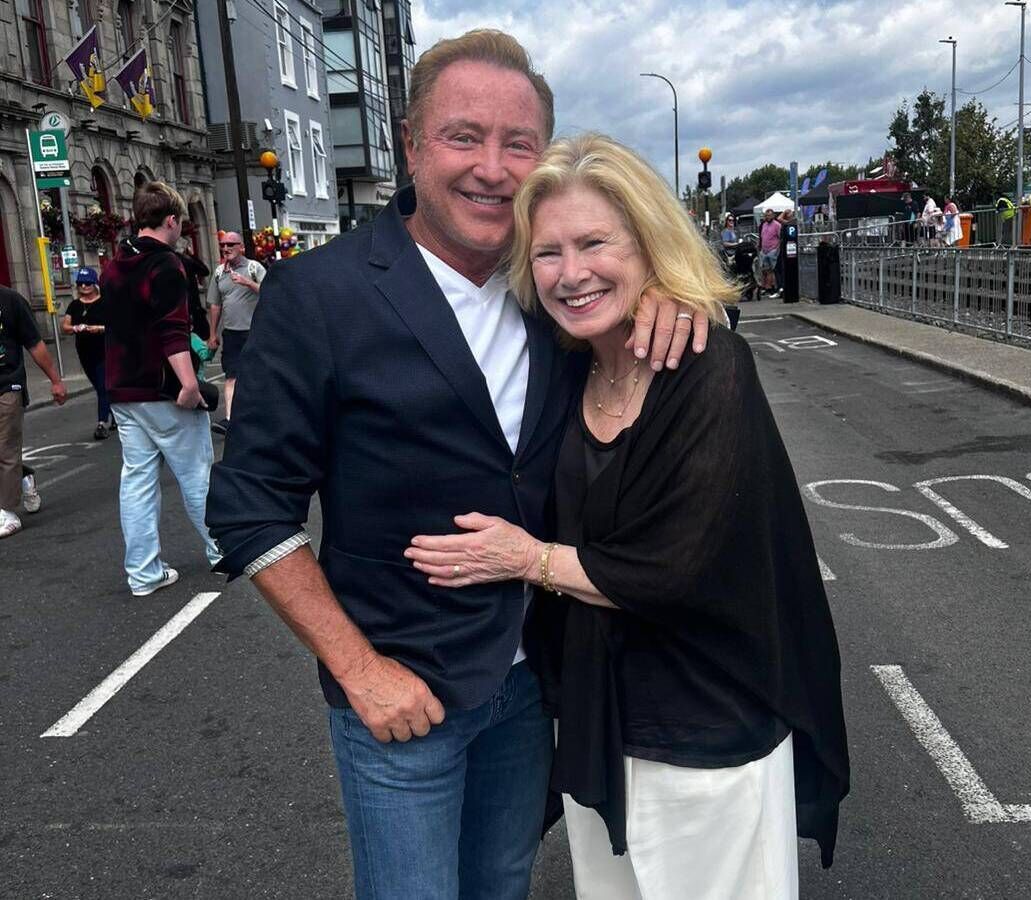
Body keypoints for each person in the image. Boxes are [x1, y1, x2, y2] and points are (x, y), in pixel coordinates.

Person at [205, 30, 708, 900]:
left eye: (519, 144)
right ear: (410, 145)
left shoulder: (549, 288)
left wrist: (662, 293)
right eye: (463, 137)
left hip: (531, 688)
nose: (492, 167)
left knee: (502, 885)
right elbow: (250, 509)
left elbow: (624, 307)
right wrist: (361, 674)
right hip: (404, 698)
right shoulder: (318, 297)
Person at [406, 133, 850, 898]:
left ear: (648, 244)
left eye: (595, 243)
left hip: (706, 731)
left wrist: (527, 558)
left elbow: (674, 568)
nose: (571, 274)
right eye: (548, 252)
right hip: (598, 726)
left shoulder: (707, 365)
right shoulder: (564, 360)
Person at [101, 181, 220, 596]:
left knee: (137, 479)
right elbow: (172, 329)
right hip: (162, 387)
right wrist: (190, 384)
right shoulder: (167, 265)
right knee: (196, 474)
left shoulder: (115, 264)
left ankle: (143, 573)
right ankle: (221, 550)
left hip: (122, 387)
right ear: (171, 220)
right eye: (180, 224)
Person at [0, 287, 67, 538]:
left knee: (6, 448)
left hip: (7, 385)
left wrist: (56, 381)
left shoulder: (10, 301)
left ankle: (7, 512)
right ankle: (24, 476)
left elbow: (34, 343)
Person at [205, 230, 265, 434]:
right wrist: (213, 334)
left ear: (242, 247)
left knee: (257, 374)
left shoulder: (254, 267)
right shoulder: (219, 272)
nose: (226, 248)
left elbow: (270, 293)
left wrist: (248, 282)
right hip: (231, 334)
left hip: (254, 331)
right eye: (223, 245)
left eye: (231, 244)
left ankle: (261, 414)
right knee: (231, 376)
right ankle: (230, 420)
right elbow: (215, 305)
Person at [62, 266, 114, 439]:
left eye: (88, 283)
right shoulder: (75, 305)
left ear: (95, 284)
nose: (84, 287)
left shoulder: (105, 302)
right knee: (99, 385)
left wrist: (98, 328)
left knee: (102, 386)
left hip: (104, 349)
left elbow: (116, 326)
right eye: (81, 284)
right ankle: (114, 414)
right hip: (85, 352)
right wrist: (76, 327)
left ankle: (101, 423)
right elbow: (65, 327)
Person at [758, 208, 781, 296]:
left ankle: (775, 287)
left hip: (773, 250)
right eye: (766, 215)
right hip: (764, 250)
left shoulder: (777, 225)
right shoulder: (764, 224)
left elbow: (780, 238)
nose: (768, 217)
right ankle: (767, 287)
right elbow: (762, 236)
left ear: (773, 215)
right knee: (766, 270)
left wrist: (777, 249)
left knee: (773, 270)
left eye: (770, 215)